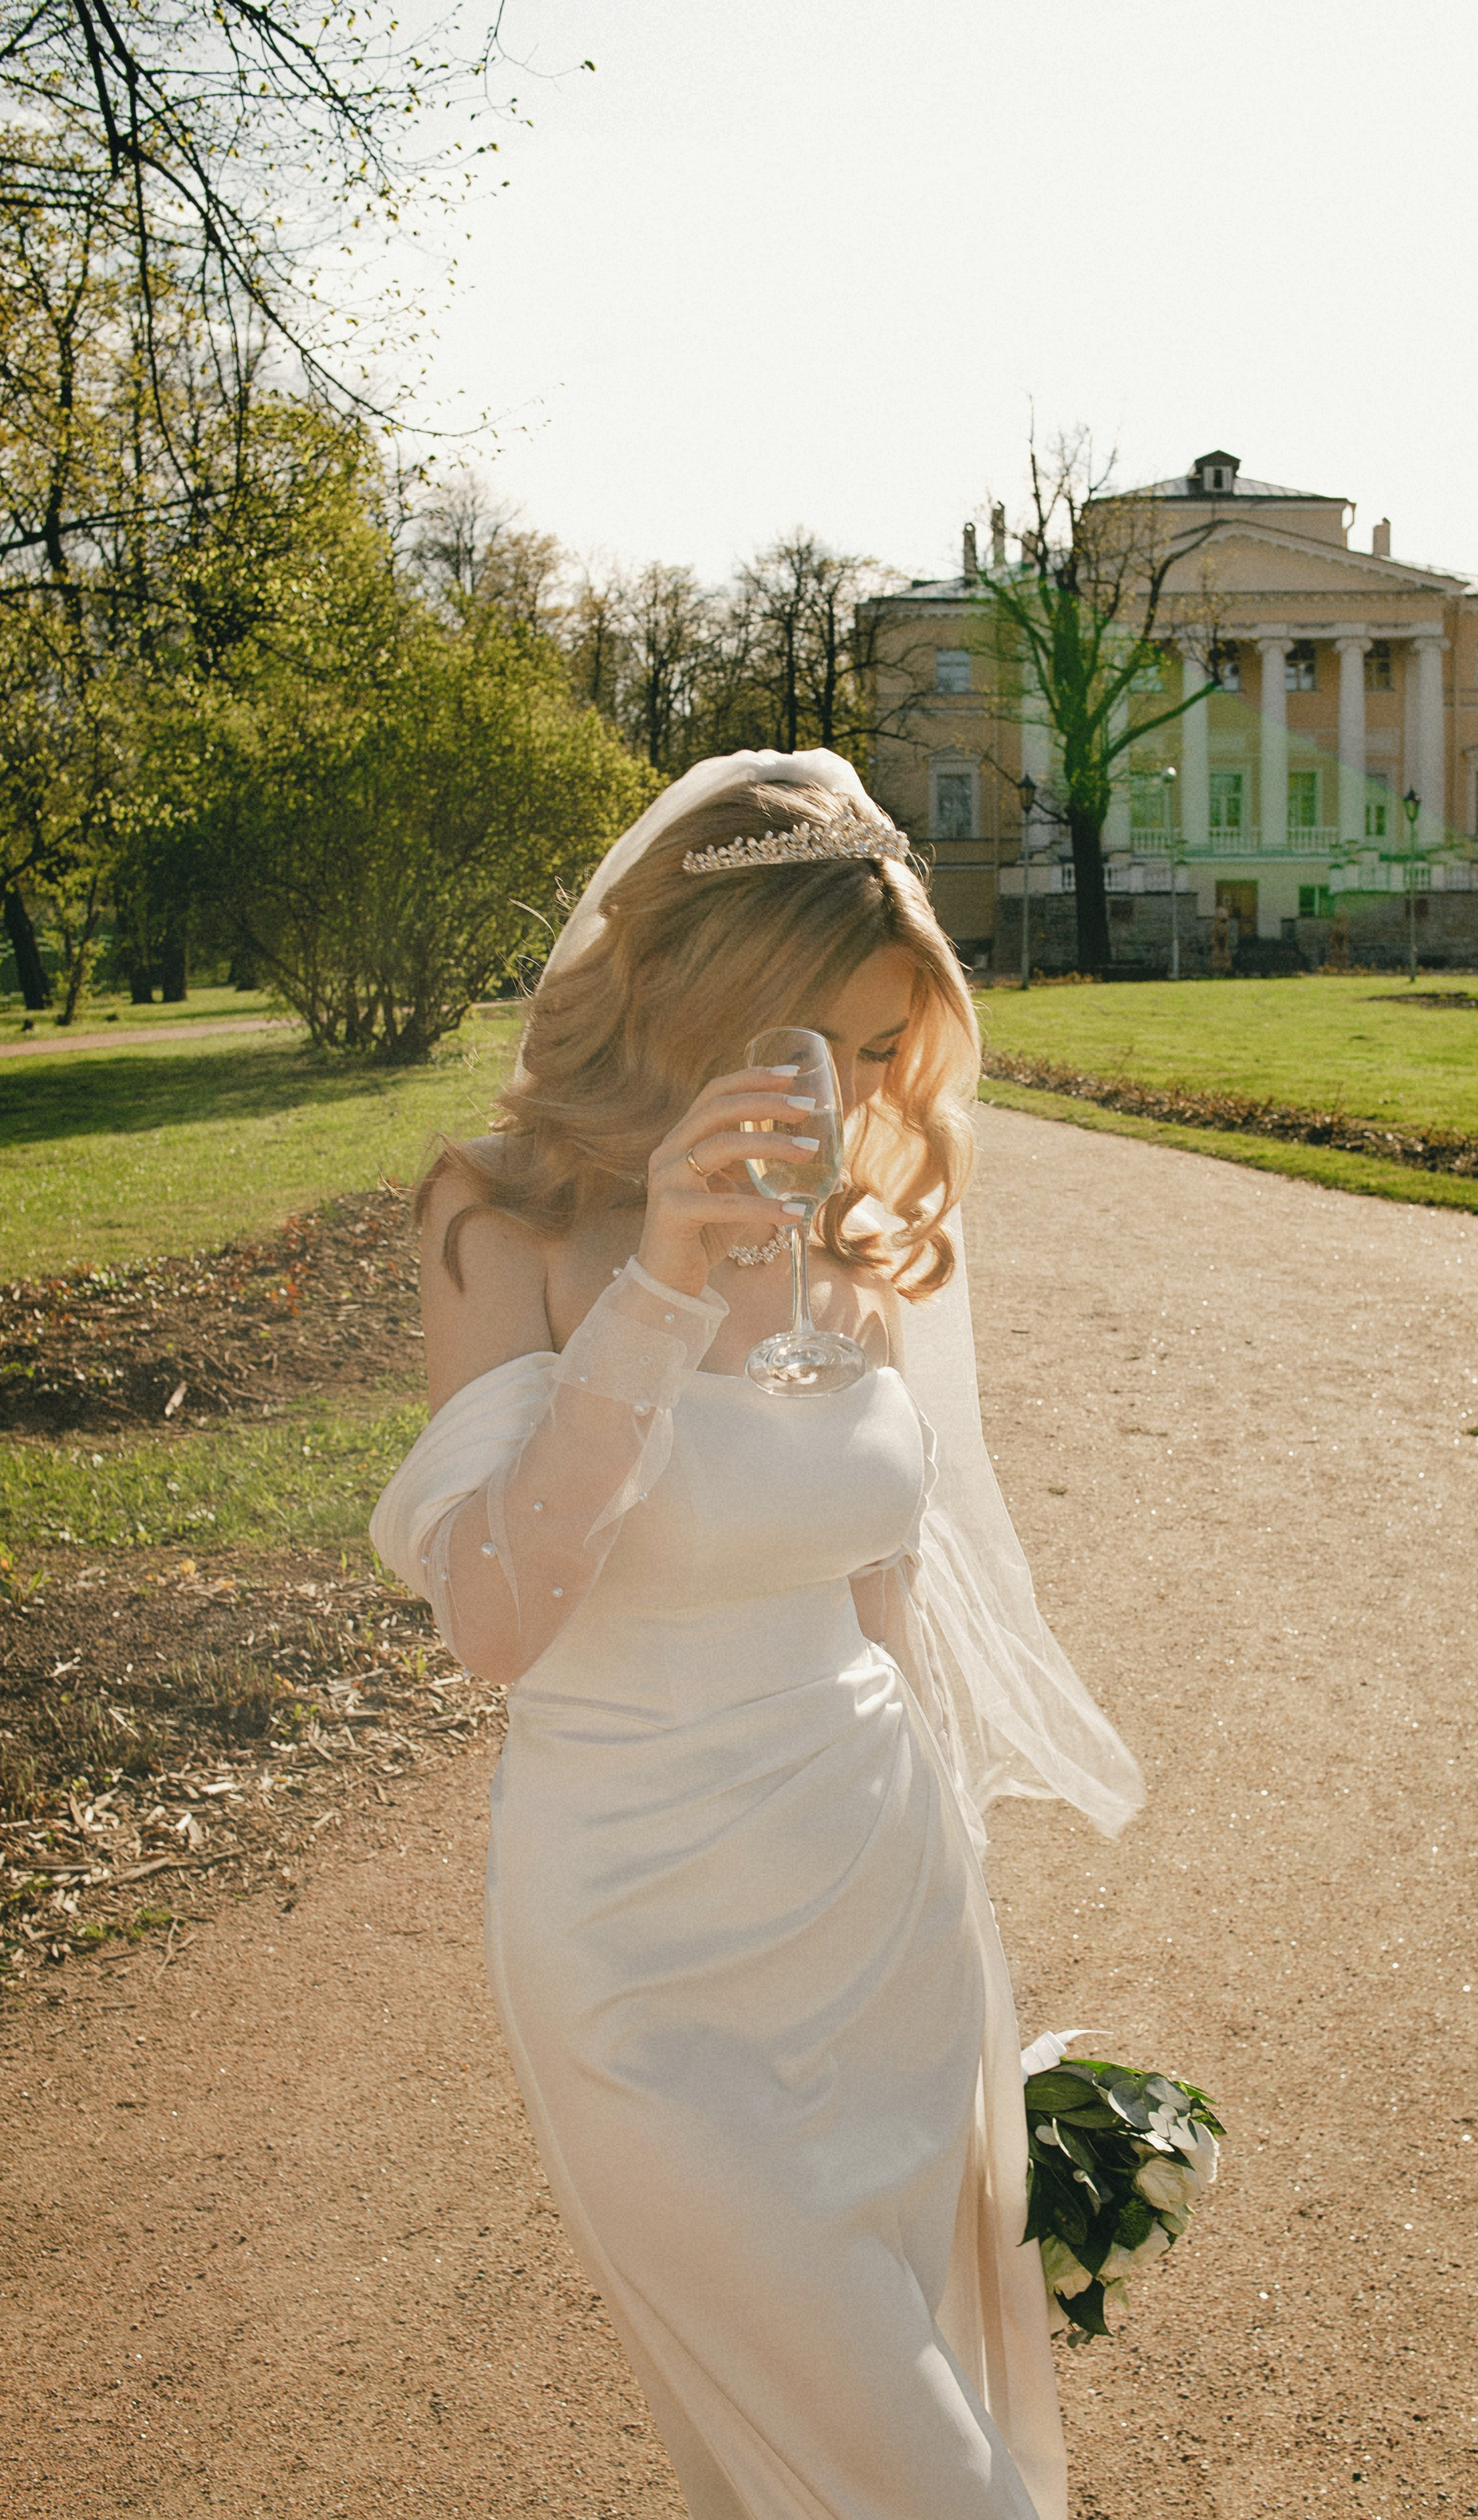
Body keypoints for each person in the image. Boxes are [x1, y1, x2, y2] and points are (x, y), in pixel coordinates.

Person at [371, 749, 1144, 2520]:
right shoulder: (502, 1224)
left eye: (892, 1055)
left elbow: (887, 1607)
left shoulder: (860, 1253)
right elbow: (495, 1616)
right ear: (717, 1007)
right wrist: (656, 1298)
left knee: (819, 2455)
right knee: (907, 2470)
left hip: (874, 1903)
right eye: (840, 1045)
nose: (867, 1096)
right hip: (641, 1958)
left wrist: (983, 1988)